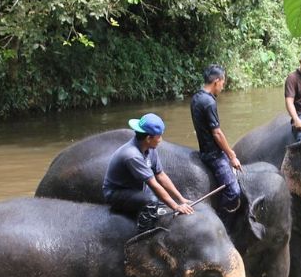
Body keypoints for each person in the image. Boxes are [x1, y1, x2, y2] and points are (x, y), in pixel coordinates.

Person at [103, 113, 193, 233]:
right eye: (159, 136)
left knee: (162, 199)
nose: (161, 140)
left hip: (137, 187)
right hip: (117, 193)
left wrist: (180, 199)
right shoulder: (132, 155)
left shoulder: (149, 149)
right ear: (148, 138)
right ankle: (143, 233)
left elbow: (161, 176)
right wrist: (176, 207)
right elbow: (153, 184)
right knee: (152, 200)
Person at [190, 64, 242, 222]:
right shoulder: (208, 102)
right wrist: (231, 155)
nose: (222, 87)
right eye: (223, 83)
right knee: (234, 191)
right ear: (216, 81)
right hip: (213, 155)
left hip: (204, 149)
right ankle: (220, 221)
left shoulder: (196, 98)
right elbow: (217, 133)